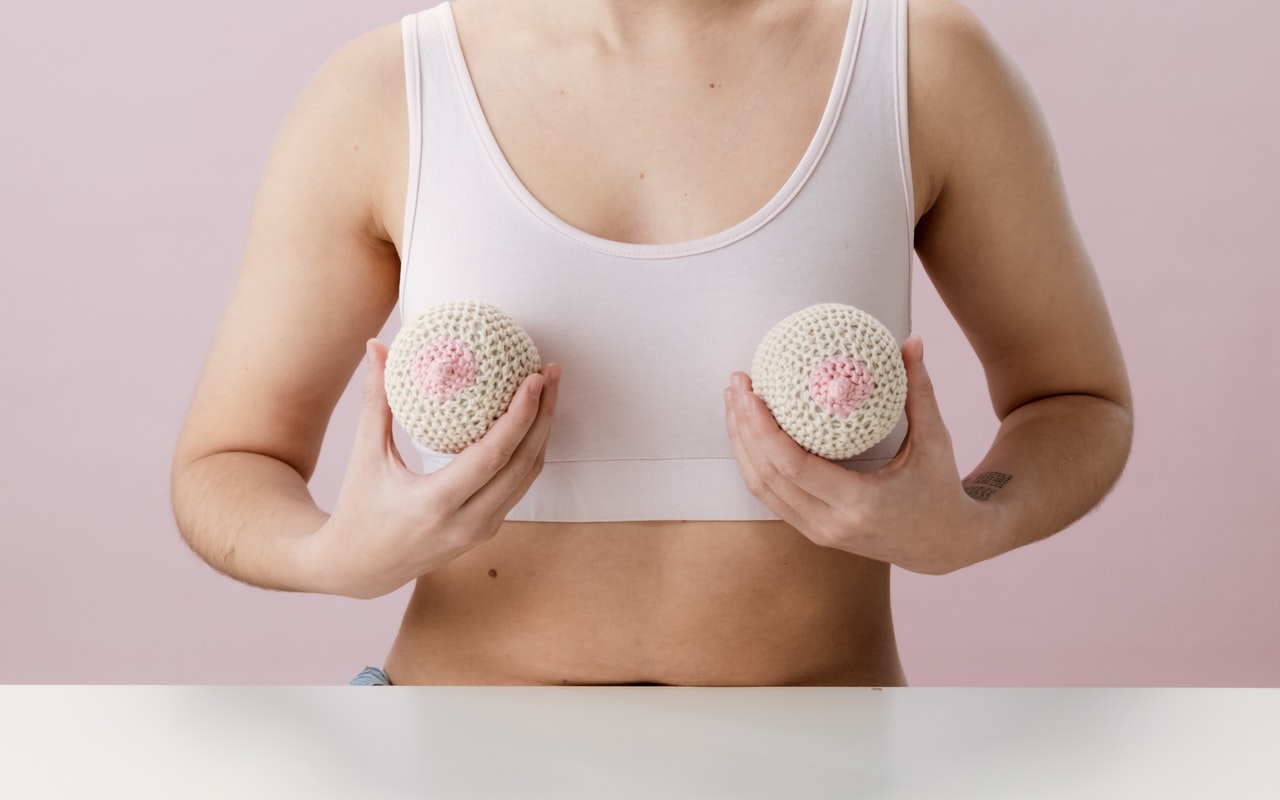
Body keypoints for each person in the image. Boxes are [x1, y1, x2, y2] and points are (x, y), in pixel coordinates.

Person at [170, 0, 1132, 686]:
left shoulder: (920, 61)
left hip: (818, 763)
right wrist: (335, 556)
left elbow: (1077, 401)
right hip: (457, 753)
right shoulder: (386, 89)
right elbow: (227, 461)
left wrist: (972, 523)